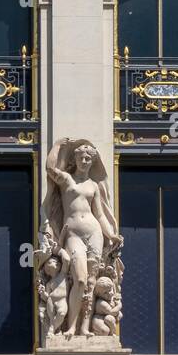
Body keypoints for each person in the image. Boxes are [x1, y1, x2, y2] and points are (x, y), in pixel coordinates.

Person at [43, 138, 123, 336]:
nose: (85, 161)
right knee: (79, 279)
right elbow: (50, 168)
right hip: (73, 234)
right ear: (75, 159)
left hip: (94, 232)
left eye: (88, 158)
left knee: (90, 282)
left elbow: (100, 215)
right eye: (81, 157)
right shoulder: (67, 180)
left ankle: (84, 328)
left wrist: (111, 234)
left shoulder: (94, 186)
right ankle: (70, 326)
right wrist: (58, 145)